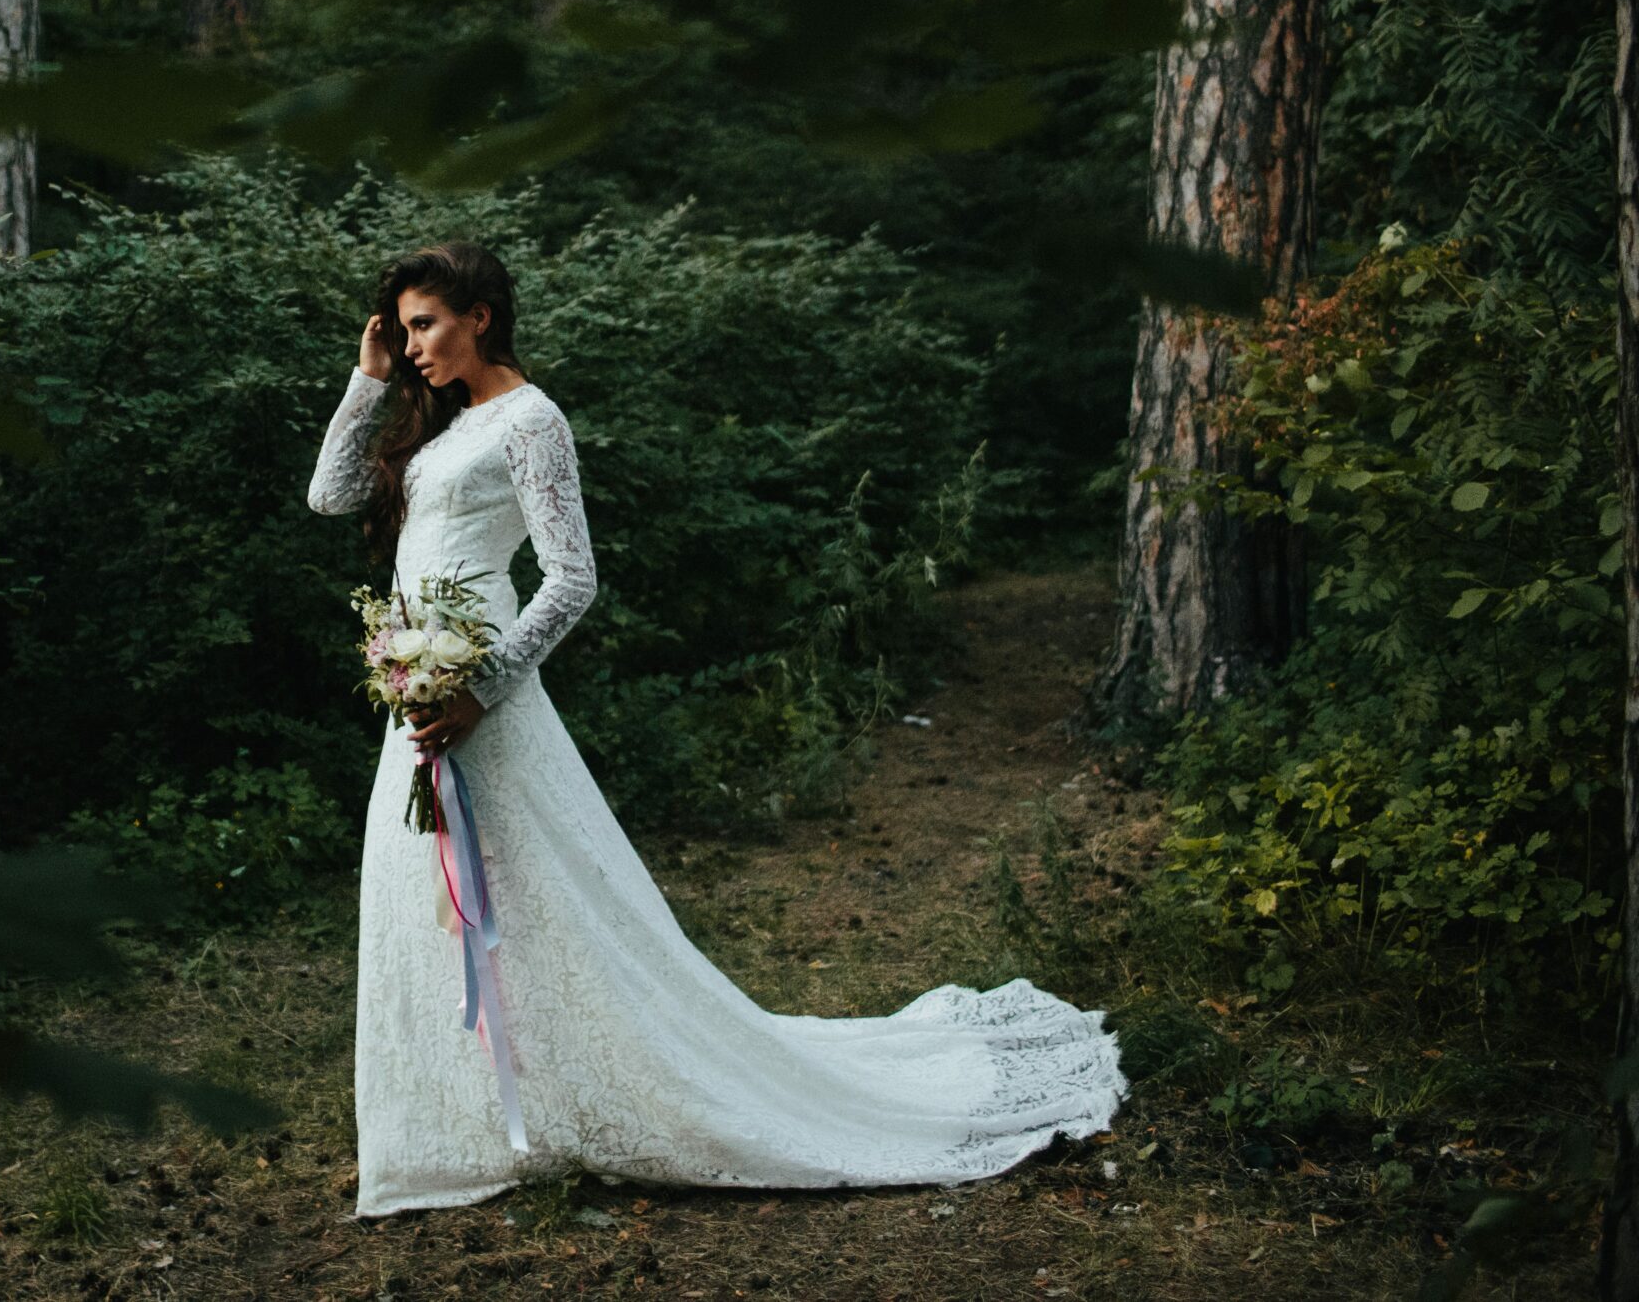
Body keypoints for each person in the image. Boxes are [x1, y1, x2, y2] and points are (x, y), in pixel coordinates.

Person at [308, 239, 1129, 1218]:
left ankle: (570, 1101)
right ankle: (473, 1115)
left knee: (531, 892)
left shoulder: (532, 421)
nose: (412, 345)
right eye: (403, 330)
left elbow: (571, 579)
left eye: (425, 325)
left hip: (478, 687)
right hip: (421, 685)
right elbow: (330, 495)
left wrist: (482, 685)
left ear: (479, 316)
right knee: (441, 893)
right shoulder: (438, 424)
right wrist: (368, 382)